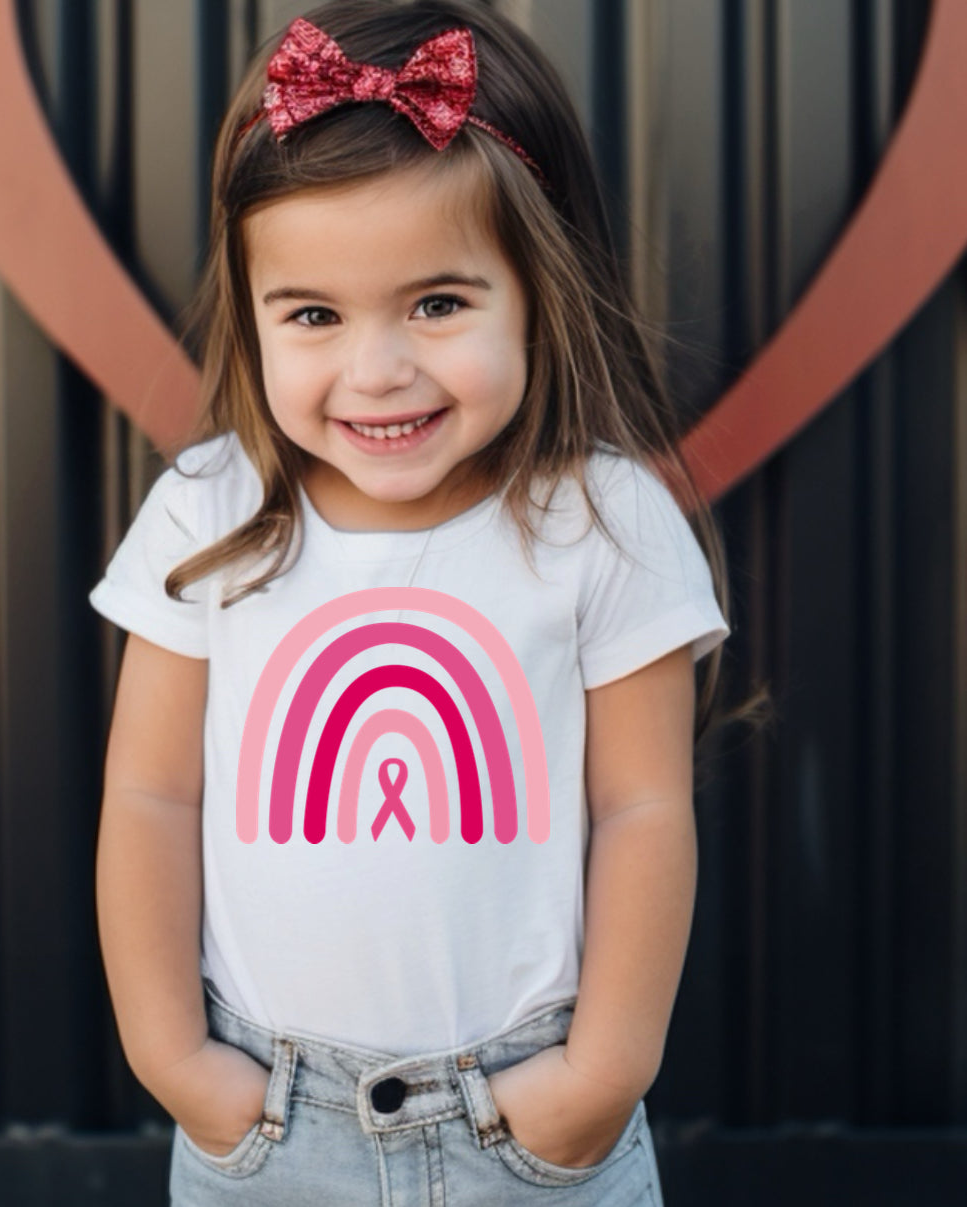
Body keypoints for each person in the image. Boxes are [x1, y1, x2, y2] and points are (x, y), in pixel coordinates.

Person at [89, 2, 736, 1203]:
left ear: (541, 290)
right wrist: (173, 1057)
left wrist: (600, 1076)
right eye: (316, 315)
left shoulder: (600, 521)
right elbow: (150, 790)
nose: (377, 372)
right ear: (254, 309)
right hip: (272, 1125)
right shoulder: (207, 512)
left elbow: (642, 807)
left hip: (530, 1124)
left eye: (438, 304)